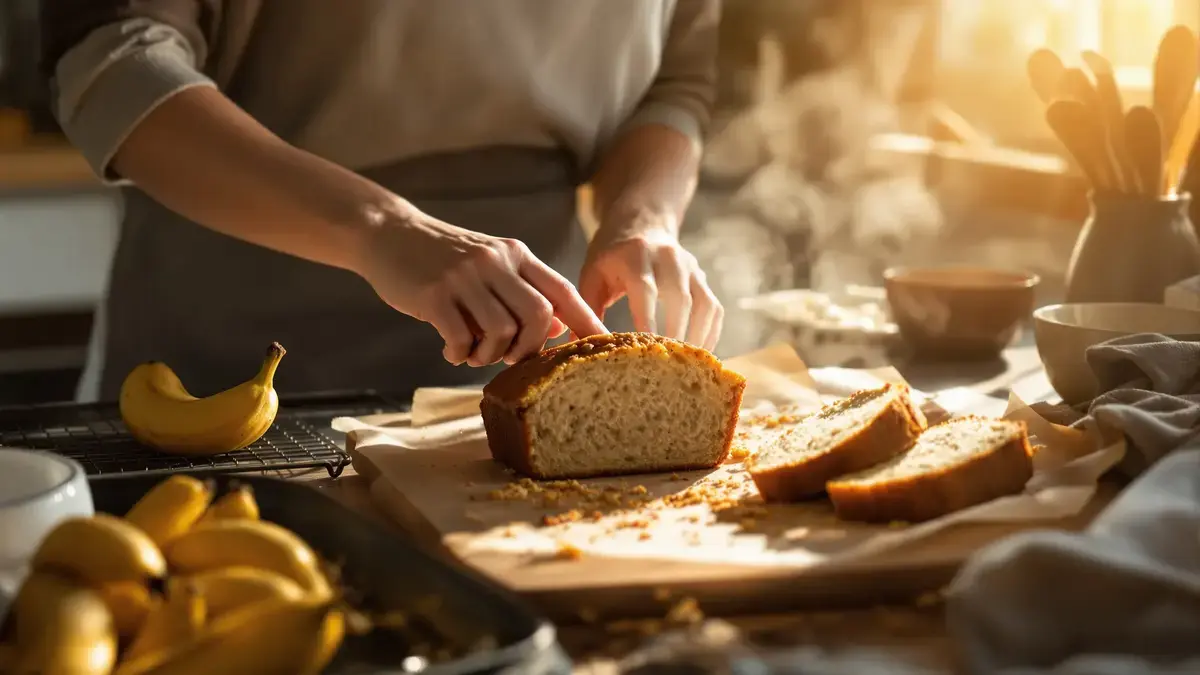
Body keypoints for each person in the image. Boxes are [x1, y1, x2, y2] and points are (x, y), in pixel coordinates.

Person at [40, 0, 725, 401]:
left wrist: (643, 215)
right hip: (226, 373)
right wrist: (380, 227)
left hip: (531, 363)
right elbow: (113, 65)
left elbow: (677, 81)